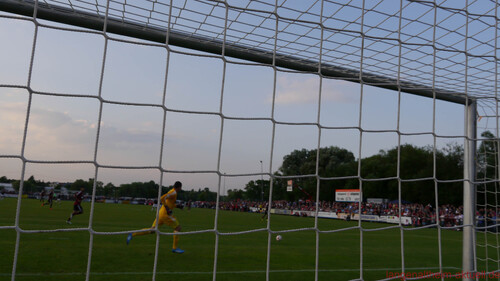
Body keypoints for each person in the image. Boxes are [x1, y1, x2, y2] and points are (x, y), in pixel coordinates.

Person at [127, 181, 184, 254]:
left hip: (160, 213)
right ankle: (175, 248)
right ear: (179, 187)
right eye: (180, 187)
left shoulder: (172, 192)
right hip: (165, 214)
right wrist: (167, 208)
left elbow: (169, 203)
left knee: (152, 230)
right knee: (178, 228)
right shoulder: (174, 193)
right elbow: (162, 198)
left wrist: (178, 206)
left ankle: (132, 234)